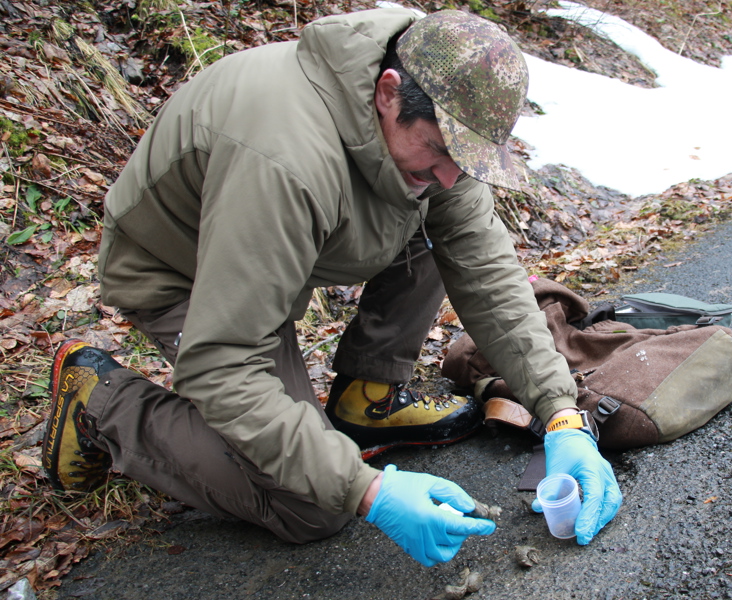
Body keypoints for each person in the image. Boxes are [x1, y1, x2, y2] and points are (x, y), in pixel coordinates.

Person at [40, 8, 622, 566]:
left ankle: (363, 396)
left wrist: (561, 413)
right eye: (442, 152)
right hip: (180, 269)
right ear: (388, 91)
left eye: (466, 159)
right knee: (313, 505)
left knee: (435, 220)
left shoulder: (428, 123)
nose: (450, 175)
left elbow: (485, 266)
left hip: (278, 248)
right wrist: (366, 490)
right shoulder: (284, 159)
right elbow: (222, 364)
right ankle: (101, 400)